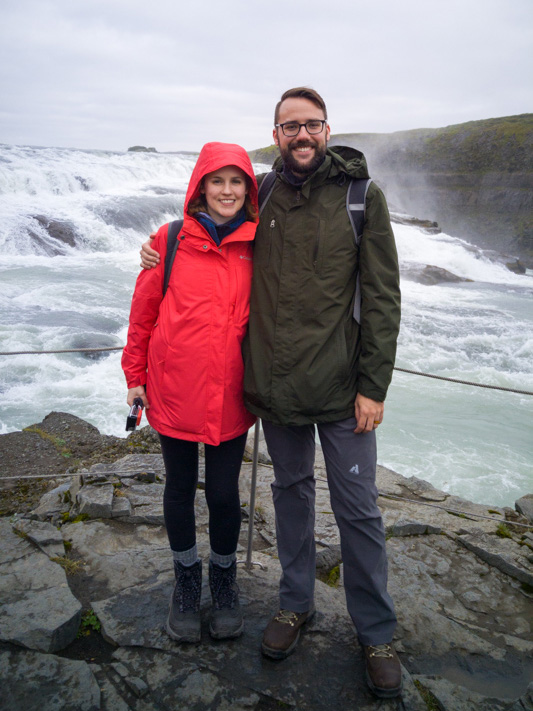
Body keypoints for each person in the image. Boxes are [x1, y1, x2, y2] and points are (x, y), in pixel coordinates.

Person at [139, 88, 402, 698]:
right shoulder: (262, 193)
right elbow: (212, 233)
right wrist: (155, 251)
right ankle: (294, 604)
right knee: (289, 494)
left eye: (311, 124)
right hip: (276, 386)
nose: (301, 135)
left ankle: (377, 633)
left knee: (359, 510)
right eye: (290, 126)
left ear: (328, 129)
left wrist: (374, 385)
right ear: (277, 134)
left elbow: (384, 298)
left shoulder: (363, 198)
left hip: (342, 388)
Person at [122, 142, 258, 645]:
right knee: (179, 489)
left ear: (248, 189)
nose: (226, 191)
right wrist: (133, 376)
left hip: (231, 394)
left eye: (236, 181)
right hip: (174, 387)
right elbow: (144, 312)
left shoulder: (261, 244)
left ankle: (223, 580)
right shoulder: (170, 239)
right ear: (201, 187)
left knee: (224, 494)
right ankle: (186, 580)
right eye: (217, 181)